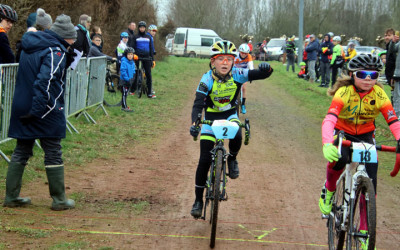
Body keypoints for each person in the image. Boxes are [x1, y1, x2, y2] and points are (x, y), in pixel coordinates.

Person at [318, 54, 400, 248]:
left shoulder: (379, 94)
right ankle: (329, 191)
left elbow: (393, 120)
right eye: (362, 74)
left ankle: (364, 231)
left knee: (371, 184)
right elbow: (329, 119)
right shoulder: (344, 93)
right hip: (343, 132)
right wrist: (327, 142)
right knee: (340, 158)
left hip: (365, 135)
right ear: (352, 74)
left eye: (373, 75)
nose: (368, 79)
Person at [189, 40, 274, 218]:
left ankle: (232, 159)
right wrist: (195, 124)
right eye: (221, 59)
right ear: (213, 62)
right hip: (211, 118)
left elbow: (258, 74)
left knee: (237, 132)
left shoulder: (238, 74)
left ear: (234, 61)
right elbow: (197, 104)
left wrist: (267, 70)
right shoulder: (206, 79)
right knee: (204, 159)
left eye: (229, 59)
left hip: (229, 114)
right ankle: (198, 200)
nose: (225, 62)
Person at [3, 14, 77, 211]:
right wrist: (38, 110)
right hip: (44, 108)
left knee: (22, 149)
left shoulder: (30, 45)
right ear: (64, 37)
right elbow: (45, 81)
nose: (73, 42)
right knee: (53, 151)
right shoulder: (54, 51)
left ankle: (11, 196)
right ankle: (59, 199)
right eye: (72, 38)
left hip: (23, 105)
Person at [132, 21, 156, 98]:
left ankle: (149, 92)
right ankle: (133, 90)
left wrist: (153, 59)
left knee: (148, 75)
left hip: (147, 57)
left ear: (145, 28)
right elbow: (132, 47)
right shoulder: (135, 37)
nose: (142, 29)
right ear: (138, 28)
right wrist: (134, 55)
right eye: (140, 27)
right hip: (138, 57)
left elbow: (151, 49)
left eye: (143, 27)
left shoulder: (148, 37)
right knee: (135, 73)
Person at [234, 43, 254, 114]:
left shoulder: (249, 56)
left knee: (243, 88)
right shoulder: (235, 55)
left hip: (244, 71)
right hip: (235, 71)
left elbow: (251, 67)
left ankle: (243, 104)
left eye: (245, 53)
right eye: (242, 53)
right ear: (239, 52)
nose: (244, 54)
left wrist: (251, 76)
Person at [119, 47, 136, 112]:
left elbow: (133, 70)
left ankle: (125, 105)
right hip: (124, 81)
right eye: (129, 54)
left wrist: (133, 78)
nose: (130, 56)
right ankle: (124, 107)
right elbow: (123, 71)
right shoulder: (124, 62)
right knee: (124, 93)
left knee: (126, 93)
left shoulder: (132, 62)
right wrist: (127, 79)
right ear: (126, 55)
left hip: (130, 80)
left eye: (131, 54)